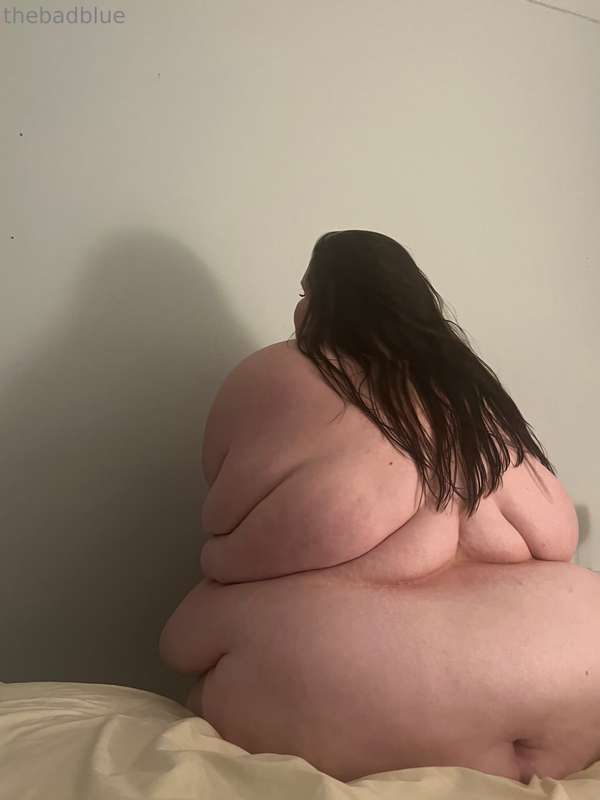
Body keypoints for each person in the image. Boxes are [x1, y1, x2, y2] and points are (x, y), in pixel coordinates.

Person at [159, 230, 600, 785]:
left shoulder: (277, 370)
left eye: (305, 293)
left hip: (374, 703)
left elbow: (225, 528)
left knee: (189, 633)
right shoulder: (468, 387)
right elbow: (558, 537)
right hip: (577, 689)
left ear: (322, 301)